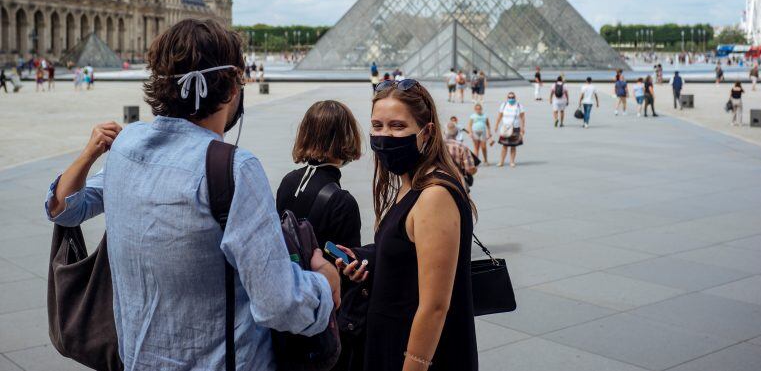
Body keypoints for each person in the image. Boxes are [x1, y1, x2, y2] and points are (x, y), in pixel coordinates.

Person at [43, 19, 339, 369]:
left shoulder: (126, 145)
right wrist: (324, 283)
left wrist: (88, 154)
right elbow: (280, 304)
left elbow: (64, 209)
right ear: (231, 86)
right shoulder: (234, 168)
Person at [336, 78, 478, 371]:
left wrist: (414, 366)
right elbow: (409, 255)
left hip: (413, 356)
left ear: (426, 132)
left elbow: (435, 306)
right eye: (377, 125)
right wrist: (367, 260)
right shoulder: (410, 184)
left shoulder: (433, 196)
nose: (384, 135)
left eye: (398, 126)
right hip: (392, 342)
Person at [275, 100, 364, 371]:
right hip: (325, 317)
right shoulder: (342, 201)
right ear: (347, 138)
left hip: (289, 306)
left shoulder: (288, 182)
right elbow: (347, 269)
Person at [494, 91, 525, 167]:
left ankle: (512, 162)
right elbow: (499, 116)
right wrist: (496, 125)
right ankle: (501, 162)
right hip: (505, 128)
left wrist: (522, 128)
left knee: (513, 146)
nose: (511, 99)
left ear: (515, 98)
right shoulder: (504, 105)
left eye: (512, 97)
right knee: (504, 145)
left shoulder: (519, 106)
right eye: (509, 97)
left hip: (515, 127)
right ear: (507, 98)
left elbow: (522, 118)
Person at [444, 121, 477, 187]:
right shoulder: (462, 147)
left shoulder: (437, 146)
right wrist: (475, 170)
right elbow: (469, 169)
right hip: (457, 181)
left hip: (439, 180)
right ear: (456, 133)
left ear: (444, 133)